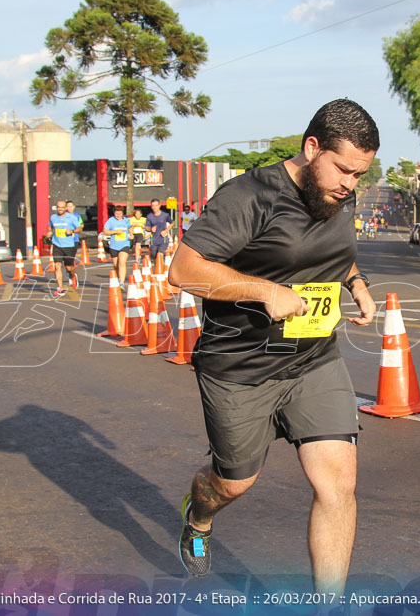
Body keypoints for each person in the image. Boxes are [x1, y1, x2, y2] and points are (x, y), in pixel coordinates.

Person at [168, 98, 378, 594]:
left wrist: (358, 283)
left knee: (338, 484)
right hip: (241, 364)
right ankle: (198, 518)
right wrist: (265, 291)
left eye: (359, 174)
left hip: (313, 359)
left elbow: (334, 252)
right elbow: (185, 270)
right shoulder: (249, 197)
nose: (350, 184)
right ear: (312, 148)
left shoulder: (337, 194)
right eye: (343, 169)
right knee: (232, 483)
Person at [46, 200, 82, 298]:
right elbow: (50, 227)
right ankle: (60, 288)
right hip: (57, 245)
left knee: (69, 268)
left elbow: (79, 228)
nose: (60, 209)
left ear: (65, 208)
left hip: (69, 245)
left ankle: (73, 276)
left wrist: (72, 231)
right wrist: (49, 233)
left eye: (62, 207)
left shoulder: (71, 218)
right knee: (57, 266)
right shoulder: (53, 217)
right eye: (58, 207)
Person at [102, 204, 132, 283]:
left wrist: (131, 234)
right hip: (114, 246)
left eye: (120, 213)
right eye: (116, 213)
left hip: (125, 244)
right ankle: (118, 279)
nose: (118, 215)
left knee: (122, 263)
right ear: (114, 213)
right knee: (116, 266)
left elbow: (130, 227)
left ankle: (121, 282)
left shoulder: (126, 220)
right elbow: (105, 231)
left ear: (123, 213)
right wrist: (115, 231)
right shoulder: (111, 221)